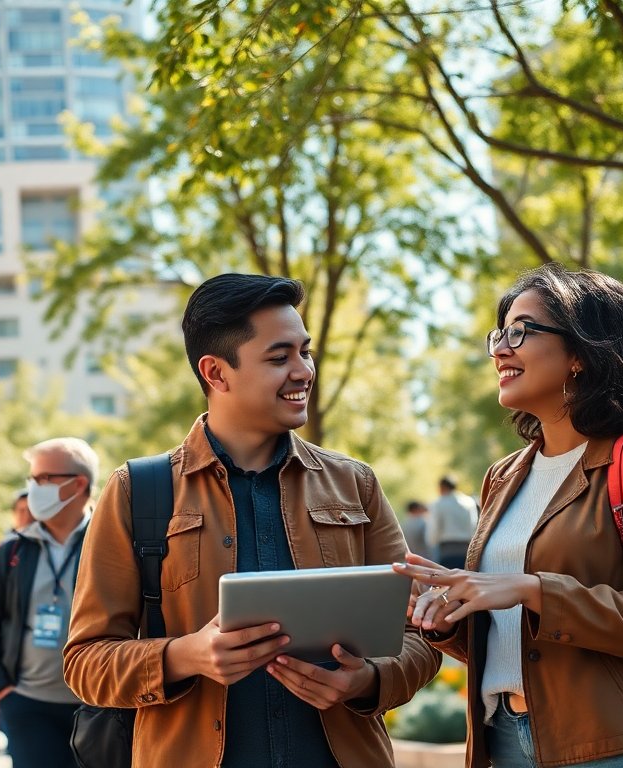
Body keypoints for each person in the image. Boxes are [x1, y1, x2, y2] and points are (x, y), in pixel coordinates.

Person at [63, 273, 440, 767]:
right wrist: (187, 655)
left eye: (305, 352)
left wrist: (367, 680)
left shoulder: (355, 484)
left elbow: (419, 635)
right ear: (216, 373)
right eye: (279, 358)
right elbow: (85, 662)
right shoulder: (137, 491)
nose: (304, 371)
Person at [394, 263, 623, 767]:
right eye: (499, 334)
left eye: (521, 332)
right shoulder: (503, 476)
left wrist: (533, 589)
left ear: (582, 353)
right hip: (505, 739)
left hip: (616, 745)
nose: (500, 350)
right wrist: (448, 614)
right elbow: (515, 642)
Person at [0, 438, 98, 768]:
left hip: (97, 707)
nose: (33, 489)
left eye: (43, 479)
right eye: (31, 479)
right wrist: (1, 688)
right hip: (28, 705)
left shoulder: (112, 542)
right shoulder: (13, 551)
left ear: (78, 484)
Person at [430, 475, 479, 569]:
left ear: (442, 487)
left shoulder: (439, 503)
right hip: (467, 549)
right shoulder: (469, 502)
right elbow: (474, 524)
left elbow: (435, 528)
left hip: (447, 550)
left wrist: (432, 542)